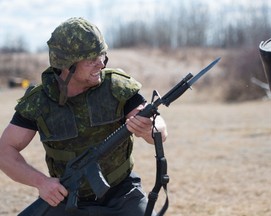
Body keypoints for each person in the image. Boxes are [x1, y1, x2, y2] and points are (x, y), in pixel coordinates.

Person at [0, 17, 168, 216]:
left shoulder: (116, 87)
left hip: (123, 195)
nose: (101, 64)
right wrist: (42, 183)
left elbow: (158, 127)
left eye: (102, 55)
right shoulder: (39, 101)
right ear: (67, 65)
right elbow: (5, 152)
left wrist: (151, 127)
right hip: (66, 197)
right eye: (91, 59)